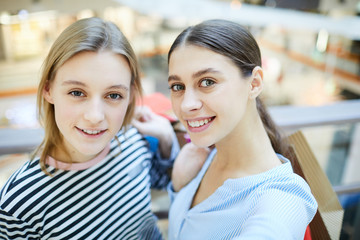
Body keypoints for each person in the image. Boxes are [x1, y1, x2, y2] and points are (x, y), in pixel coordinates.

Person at [0, 17, 179, 239]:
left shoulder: (134, 142)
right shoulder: (19, 201)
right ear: (48, 89)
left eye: (113, 95)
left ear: (130, 96)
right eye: (77, 92)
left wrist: (166, 138)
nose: (94, 116)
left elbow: (172, 183)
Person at [167, 19, 318, 239]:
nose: (186, 104)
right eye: (177, 87)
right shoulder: (207, 158)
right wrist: (179, 187)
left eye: (207, 82)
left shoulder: (281, 198)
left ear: (254, 83)